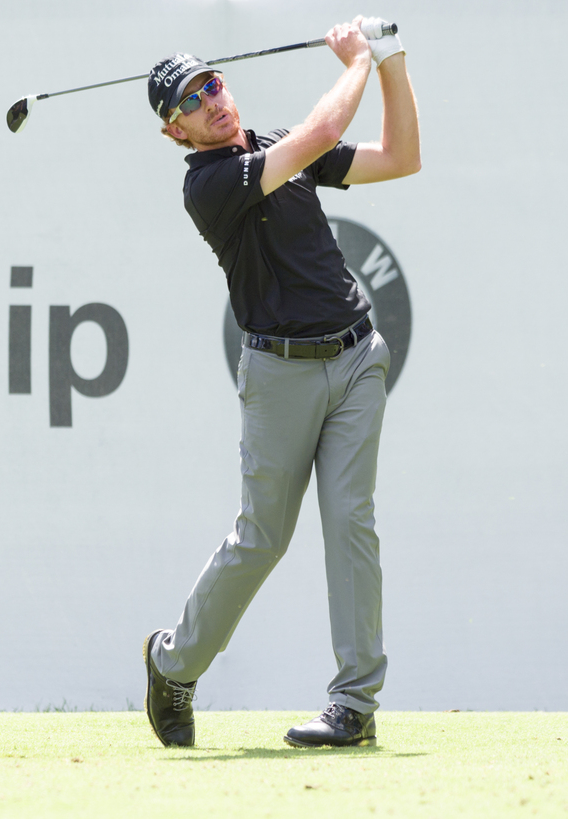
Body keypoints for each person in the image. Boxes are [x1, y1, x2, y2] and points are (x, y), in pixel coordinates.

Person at [143, 15, 420, 748]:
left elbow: (400, 156)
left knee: (351, 522)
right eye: (192, 102)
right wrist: (356, 60)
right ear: (177, 133)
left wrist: (391, 61)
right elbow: (322, 134)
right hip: (280, 374)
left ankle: (354, 705)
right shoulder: (209, 185)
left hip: (359, 356)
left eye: (213, 83)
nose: (212, 100)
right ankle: (172, 663)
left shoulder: (269, 146)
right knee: (263, 537)